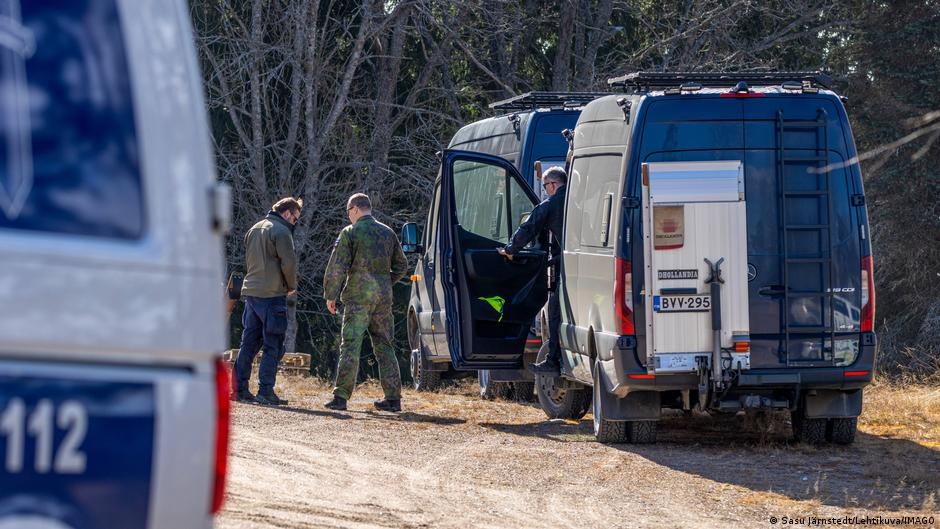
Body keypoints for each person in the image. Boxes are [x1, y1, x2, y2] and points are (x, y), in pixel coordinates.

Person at [323, 193, 409, 412]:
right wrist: (385, 282)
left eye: (348, 212)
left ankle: (341, 397)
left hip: (358, 299)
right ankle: (393, 399)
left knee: (350, 345)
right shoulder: (388, 233)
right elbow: (402, 265)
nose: (348, 216)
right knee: (385, 346)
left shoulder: (350, 233)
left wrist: (330, 295)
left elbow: (337, 266)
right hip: (382, 299)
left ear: (355, 209)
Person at [232, 197, 303, 405]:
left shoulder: (254, 229)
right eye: (295, 218)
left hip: (252, 293)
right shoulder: (281, 231)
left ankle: (239, 389)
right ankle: (265, 391)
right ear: (288, 213)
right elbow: (288, 263)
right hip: (272, 295)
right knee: (273, 344)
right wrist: (291, 286)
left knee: (248, 343)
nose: (295, 222)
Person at [497, 166, 567, 375]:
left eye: (546, 187)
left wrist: (510, 250)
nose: (545, 191)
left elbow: (529, 227)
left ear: (553, 184)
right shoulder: (577, 199)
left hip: (564, 267)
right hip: (582, 265)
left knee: (554, 313)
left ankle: (553, 361)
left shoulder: (551, 204)